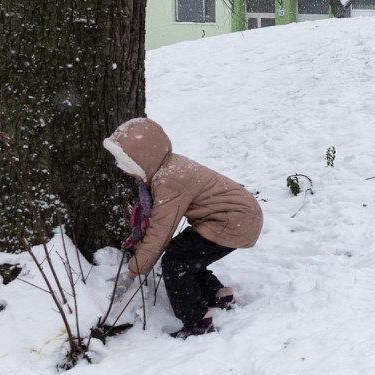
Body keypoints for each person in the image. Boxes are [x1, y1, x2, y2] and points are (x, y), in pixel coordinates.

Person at [103, 117, 263, 339]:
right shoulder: (170, 165)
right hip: (237, 217)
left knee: (175, 262)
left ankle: (197, 320)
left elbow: (161, 231)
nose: (121, 169)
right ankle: (217, 294)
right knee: (187, 255)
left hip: (232, 222)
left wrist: (134, 271)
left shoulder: (168, 181)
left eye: (126, 163)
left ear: (145, 160)